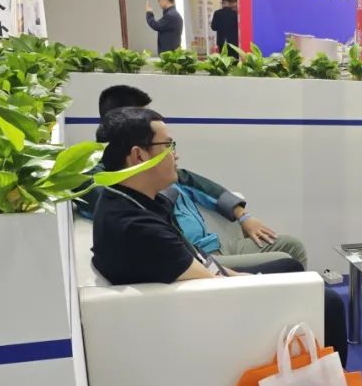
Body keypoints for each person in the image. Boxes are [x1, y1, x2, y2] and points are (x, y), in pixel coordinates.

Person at [91, 107, 362, 386]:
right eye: (168, 145)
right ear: (138, 155)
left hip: (200, 289)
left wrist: (246, 274)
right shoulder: (136, 227)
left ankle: (319, 380)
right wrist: (253, 281)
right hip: (206, 312)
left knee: (289, 265)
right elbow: (214, 286)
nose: (175, 154)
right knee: (328, 302)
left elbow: (198, 263)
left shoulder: (132, 199)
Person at [81, 85, 308, 273]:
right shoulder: (119, 198)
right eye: (168, 145)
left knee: (291, 248)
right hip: (200, 258)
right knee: (289, 265)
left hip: (205, 253)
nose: (175, 154)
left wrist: (243, 216)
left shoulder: (154, 186)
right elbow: (207, 275)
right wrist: (247, 279)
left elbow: (198, 184)